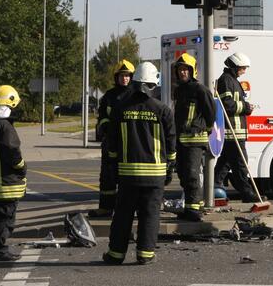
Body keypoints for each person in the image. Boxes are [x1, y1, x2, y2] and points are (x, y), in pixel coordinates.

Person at [103, 62, 176, 265]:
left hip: (128, 174)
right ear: (153, 84)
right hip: (155, 175)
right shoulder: (163, 110)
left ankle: (116, 254)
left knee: (123, 216)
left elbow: (112, 142)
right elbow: (171, 143)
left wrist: (112, 165)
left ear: (134, 83)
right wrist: (170, 168)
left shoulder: (120, 109)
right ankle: (145, 254)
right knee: (150, 214)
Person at [172, 53, 215, 221]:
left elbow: (211, 112)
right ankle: (189, 208)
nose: (182, 72)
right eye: (180, 69)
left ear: (192, 71)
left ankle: (194, 210)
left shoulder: (200, 89)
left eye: (185, 69)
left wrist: (206, 128)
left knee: (191, 174)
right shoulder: (179, 90)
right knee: (183, 174)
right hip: (181, 140)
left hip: (195, 140)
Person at [90, 59, 135, 218]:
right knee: (107, 176)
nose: (125, 79)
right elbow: (102, 117)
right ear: (116, 77)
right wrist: (105, 127)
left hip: (129, 143)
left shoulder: (135, 95)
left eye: (128, 75)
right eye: (122, 75)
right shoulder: (109, 96)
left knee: (128, 177)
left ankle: (127, 209)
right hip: (111, 142)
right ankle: (106, 207)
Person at [214, 52, 260, 203]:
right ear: (234, 67)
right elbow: (226, 103)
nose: (244, 71)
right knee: (241, 163)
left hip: (235, 131)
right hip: (232, 131)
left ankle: (213, 187)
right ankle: (247, 194)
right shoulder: (226, 81)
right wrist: (246, 107)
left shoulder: (231, 80)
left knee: (225, 163)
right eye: (242, 68)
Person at [0, 86, 26, 262]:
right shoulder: (5, 127)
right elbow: (12, 152)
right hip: (5, 183)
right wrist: (22, 167)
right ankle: (0, 250)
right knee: (5, 218)